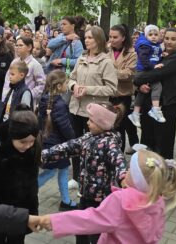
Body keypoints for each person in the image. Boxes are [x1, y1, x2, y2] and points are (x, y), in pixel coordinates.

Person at [39, 148, 176, 244]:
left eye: (130, 170)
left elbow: (89, 219)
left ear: (137, 180)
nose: (126, 171)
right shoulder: (156, 201)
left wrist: (52, 220)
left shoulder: (121, 201)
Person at [42, 103, 127, 244]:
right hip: (85, 195)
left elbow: (119, 160)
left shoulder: (110, 143)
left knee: (96, 235)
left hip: (101, 201)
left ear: (102, 123)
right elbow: (67, 147)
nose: (87, 122)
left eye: (91, 120)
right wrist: (42, 155)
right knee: (80, 231)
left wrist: (124, 178)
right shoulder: (88, 137)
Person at [68, 26, 118, 185]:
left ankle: (90, 179)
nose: (86, 40)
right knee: (76, 143)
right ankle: (76, 177)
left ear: (98, 40)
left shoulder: (106, 62)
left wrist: (87, 90)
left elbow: (111, 88)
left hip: (93, 112)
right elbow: (71, 78)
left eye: (90, 38)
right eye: (86, 37)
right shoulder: (81, 58)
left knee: (92, 147)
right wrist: (73, 86)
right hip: (75, 108)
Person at [0, 108, 41, 244]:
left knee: (17, 240)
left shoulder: (32, 150)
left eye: (31, 141)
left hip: (21, 211)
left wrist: (32, 212)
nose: (28, 146)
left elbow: (32, 186)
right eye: (23, 142)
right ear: (12, 136)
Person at [134, 28, 176, 160]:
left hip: (167, 106)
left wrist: (137, 80)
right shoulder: (161, 55)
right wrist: (141, 86)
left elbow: (155, 74)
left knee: (162, 148)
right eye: (167, 38)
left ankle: (163, 173)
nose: (169, 42)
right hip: (151, 105)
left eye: (173, 39)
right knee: (147, 144)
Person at [38, 70, 77, 211]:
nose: (67, 85)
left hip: (48, 141)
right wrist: (73, 139)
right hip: (57, 144)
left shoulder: (44, 99)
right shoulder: (59, 104)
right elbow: (64, 126)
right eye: (66, 83)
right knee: (51, 172)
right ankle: (28, 189)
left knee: (63, 170)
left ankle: (66, 201)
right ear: (59, 86)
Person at [108, 24, 138, 153]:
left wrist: (109, 72)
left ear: (123, 38)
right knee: (107, 127)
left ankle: (119, 156)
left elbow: (129, 74)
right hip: (107, 94)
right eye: (110, 36)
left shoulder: (132, 53)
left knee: (119, 128)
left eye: (115, 37)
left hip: (122, 96)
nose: (112, 40)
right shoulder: (106, 49)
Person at [129, 25, 165, 126]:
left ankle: (135, 113)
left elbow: (154, 56)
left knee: (143, 91)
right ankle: (155, 109)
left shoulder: (155, 45)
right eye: (150, 34)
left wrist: (162, 55)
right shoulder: (144, 45)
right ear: (146, 36)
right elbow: (144, 60)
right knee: (157, 85)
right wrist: (154, 66)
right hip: (143, 71)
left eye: (156, 34)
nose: (153, 36)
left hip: (146, 70)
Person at [3, 36, 45, 105]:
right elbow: (7, 81)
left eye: (21, 45)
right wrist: (5, 96)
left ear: (29, 47)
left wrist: (28, 95)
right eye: (16, 45)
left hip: (25, 103)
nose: (17, 48)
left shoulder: (35, 65)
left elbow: (41, 84)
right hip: (11, 101)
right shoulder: (14, 62)